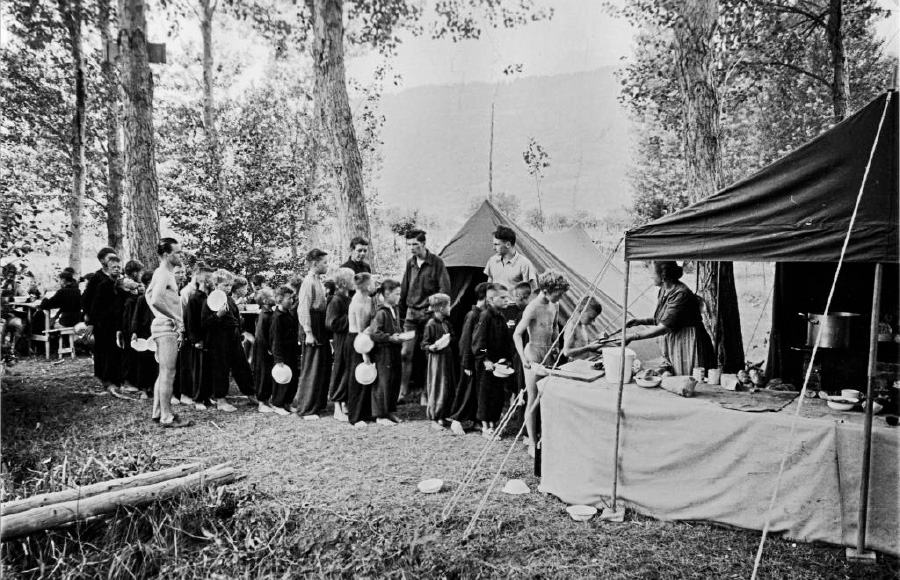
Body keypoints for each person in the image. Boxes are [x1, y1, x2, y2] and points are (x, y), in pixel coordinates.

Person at [514, 270, 570, 456]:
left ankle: (546, 436)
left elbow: (554, 325)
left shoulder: (554, 304)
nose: (561, 296)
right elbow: (517, 334)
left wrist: (555, 345)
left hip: (549, 353)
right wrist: (524, 360)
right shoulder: (533, 307)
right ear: (546, 290)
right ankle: (531, 440)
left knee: (548, 397)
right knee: (533, 398)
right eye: (558, 293)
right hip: (533, 355)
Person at [624, 261, 715, 375]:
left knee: (689, 378)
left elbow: (664, 327)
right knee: (673, 376)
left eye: (652, 273)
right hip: (675, 342)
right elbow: (665, 318)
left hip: (688, 342)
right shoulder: (664, 290)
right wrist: (640, 321)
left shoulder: (681, 294)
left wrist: (633, 336)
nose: (650, 276)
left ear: (663, 275)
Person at [398, 230, 451, 405]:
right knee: (406, 352)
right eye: (410, 245)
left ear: (424, 244)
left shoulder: (436, 263)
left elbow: (445, 290)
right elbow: (404, 290)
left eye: (416, 244)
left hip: (429, 315)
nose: (412, 248)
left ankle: (427, 393)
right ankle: (402, 392)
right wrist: (401, 314)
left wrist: (433, 309)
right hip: (411, 314)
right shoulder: (410, 263)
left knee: (428, 354)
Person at [146, 237, 191, 428]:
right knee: (168, 373)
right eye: (178, 252)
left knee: (163, 372)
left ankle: (158, 412)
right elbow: (155, 299)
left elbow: (148, 295)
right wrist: (175, 318)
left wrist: (160, 315)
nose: (181, 255)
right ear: (167, 255)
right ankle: (166, 417)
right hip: (166, 328)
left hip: (162, 325)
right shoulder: (164, 273)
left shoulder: (163, 273)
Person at [200, 269, 255, 412]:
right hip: (218, 341)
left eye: (230, 285)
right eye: (225, 285)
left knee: (242, 366)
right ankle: (221, 400)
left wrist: (240, 331)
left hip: (234, 338)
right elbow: (205, 323)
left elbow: (236, 317)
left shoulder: (229, 299)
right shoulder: (209, 301)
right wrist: (218, 315)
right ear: (216, 285)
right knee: (221, 369)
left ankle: (250, 394)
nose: (228, 288)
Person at [293, 249, 332, 419]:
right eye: (324, 262)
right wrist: (308, 332)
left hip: (320, 324)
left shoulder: (318, 281)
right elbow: (303, 308)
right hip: (312, 325)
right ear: (315, 263)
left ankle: (317, 403)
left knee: (322, 366)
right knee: (311, 367)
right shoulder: (308, 282)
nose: (327, 265)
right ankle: (306, 408)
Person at [448, 282, 489, 436]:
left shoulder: (484, 315)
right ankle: (456, 421)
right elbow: (465, 341)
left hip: (479, 361)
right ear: (485, 297)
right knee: (465, 391)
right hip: (470, 361)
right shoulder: (472, 315)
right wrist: (466, 363)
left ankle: (474, 420)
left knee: (476, 393)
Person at [473, 283, 513, 439]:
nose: (506, 300)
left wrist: (506, 358)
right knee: (486, 395)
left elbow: (505, 341)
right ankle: (485, 427)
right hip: (487, 365)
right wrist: (485, 359)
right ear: (490, 299)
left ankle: (492, 424)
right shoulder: (485, 316)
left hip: (499, 364)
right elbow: (479, 342)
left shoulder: (501, 317)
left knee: (497, 395)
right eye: (502, 297)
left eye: (507, 297)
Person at [369, 279, 404, 426]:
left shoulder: (394, 310)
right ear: (387, 294)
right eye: (396, 294)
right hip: (384, 353)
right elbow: (374, 334)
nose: (399, 297)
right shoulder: (381, 313)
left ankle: (390, 411)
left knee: (393, 381)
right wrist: (390, 338)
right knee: (383, 382)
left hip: (394, 351)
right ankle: (380, 414)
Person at [421, 293, 457, 430]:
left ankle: (443, 415)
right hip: (436, 360)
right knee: (437, 386)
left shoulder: (446, 323)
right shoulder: (431, 324)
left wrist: (449, 339)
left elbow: (453, 338)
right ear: (441, 308)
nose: (450, 308)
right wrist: (432, 346)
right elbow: (424, 344)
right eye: (448, 305)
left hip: (447, 358)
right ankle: (434, 417)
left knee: (447, 385)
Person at [89, 255, 123, 393]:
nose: (116, 269)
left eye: (118, 267)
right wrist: (92, 323)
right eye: (113, 267)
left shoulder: (121, 285)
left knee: (115, 351)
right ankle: (105, 378)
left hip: (116, 323)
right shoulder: (103, 285)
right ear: (108, 269)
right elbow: (95, 305)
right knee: (104, 351)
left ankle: (116, 378)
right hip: (103, 323)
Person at [347, 273, 376, 427]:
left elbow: (372, 319)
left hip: (366, 338)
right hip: (356, 341)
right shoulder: (356, 301)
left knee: (368, 374)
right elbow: (359, 330)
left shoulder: (369, 299)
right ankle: (355, 417)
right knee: (357, 377)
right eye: (371, 282)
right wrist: (365, 354)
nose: (374, 284)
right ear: (365, 284)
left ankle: (366, 412)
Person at [326, 268, 355, 422]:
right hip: (341, 340)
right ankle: (337, 408)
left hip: (349, 340)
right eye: (352, 278)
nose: (355, 281)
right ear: (343, 283)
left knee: (347, 371)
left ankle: (344, 403)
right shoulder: (336, 300)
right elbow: (331, 323)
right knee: (340, 371)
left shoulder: (348, 298)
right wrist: (351, 317)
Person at [484, 225, 537, 295]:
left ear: (508, 245)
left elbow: (533, 291)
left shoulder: (524, 264)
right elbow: (489, 286)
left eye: (496, 244)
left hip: (514, 305)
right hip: (495, 305)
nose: (493, 248)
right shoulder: (492, 261)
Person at [270, 285, 298, 415]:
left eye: (292, 298)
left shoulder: (289, 314)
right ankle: (278, 404)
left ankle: (288, 402)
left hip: (291, 351)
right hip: (282, 354)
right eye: (288, 298)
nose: (291, 301)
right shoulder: (277, 318)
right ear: (279, 299)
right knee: (282, 379)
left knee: (292, 379)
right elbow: (275, 340)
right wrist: (278, 359)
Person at [131, 271, 159, 398]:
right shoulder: (141, 299)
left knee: (155, 360)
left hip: (157, 331)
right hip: (144, 332)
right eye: (148, 285)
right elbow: (136, 317)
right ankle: (143, 389)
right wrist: (134, 332)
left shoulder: (160, 298)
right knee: (143, 361)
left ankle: (153, 387)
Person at [251, 288, 276, 413]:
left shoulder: (269, 313)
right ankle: (261, 402)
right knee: (262, 375)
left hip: (267, 350)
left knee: (268, 376)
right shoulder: (264, 315)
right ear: (265, 300)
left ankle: (266, 400)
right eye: (272, 295)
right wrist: (268, 348)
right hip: (263, 351)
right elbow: (260, 336)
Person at [117, 274, 144, 394]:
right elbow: (127, 319)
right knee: (129, 355)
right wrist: (132, 331)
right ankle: (127, 383)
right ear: (125, 287)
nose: (133, 281)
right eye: (129, 281)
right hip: (129, 332)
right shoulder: (129, 300)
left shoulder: (137, 297)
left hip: (135, 330)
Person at [82, 247, 117, 325]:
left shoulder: (119, 276)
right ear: (102, 261)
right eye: (110, 258)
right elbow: (87, 298)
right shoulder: (96, 278)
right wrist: (89, 316)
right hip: (102, 319)